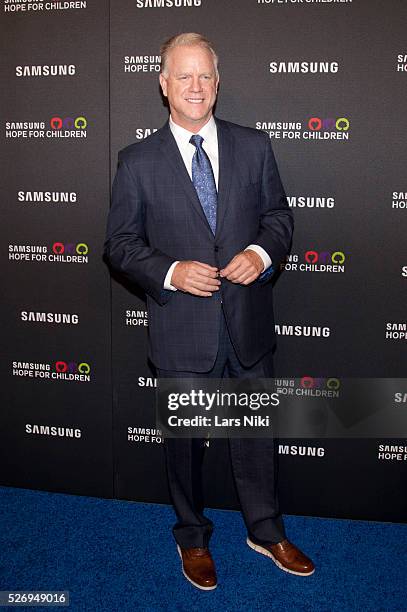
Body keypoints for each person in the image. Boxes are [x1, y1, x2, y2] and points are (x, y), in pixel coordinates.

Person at [104, 32, 314, 590]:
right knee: (184, 450)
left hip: (247, 327)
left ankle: (266, 530)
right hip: (181, 331)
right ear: (163, 84)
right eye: (184, 76)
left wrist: (261, 252)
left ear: (218, 84)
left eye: (205, 76)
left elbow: (280, 219)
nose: (195, 87)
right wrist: (171, 272)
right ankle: (192, 537)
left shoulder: (256, 147)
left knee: (256, 439)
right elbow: (120, 245)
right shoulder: (136, 162)